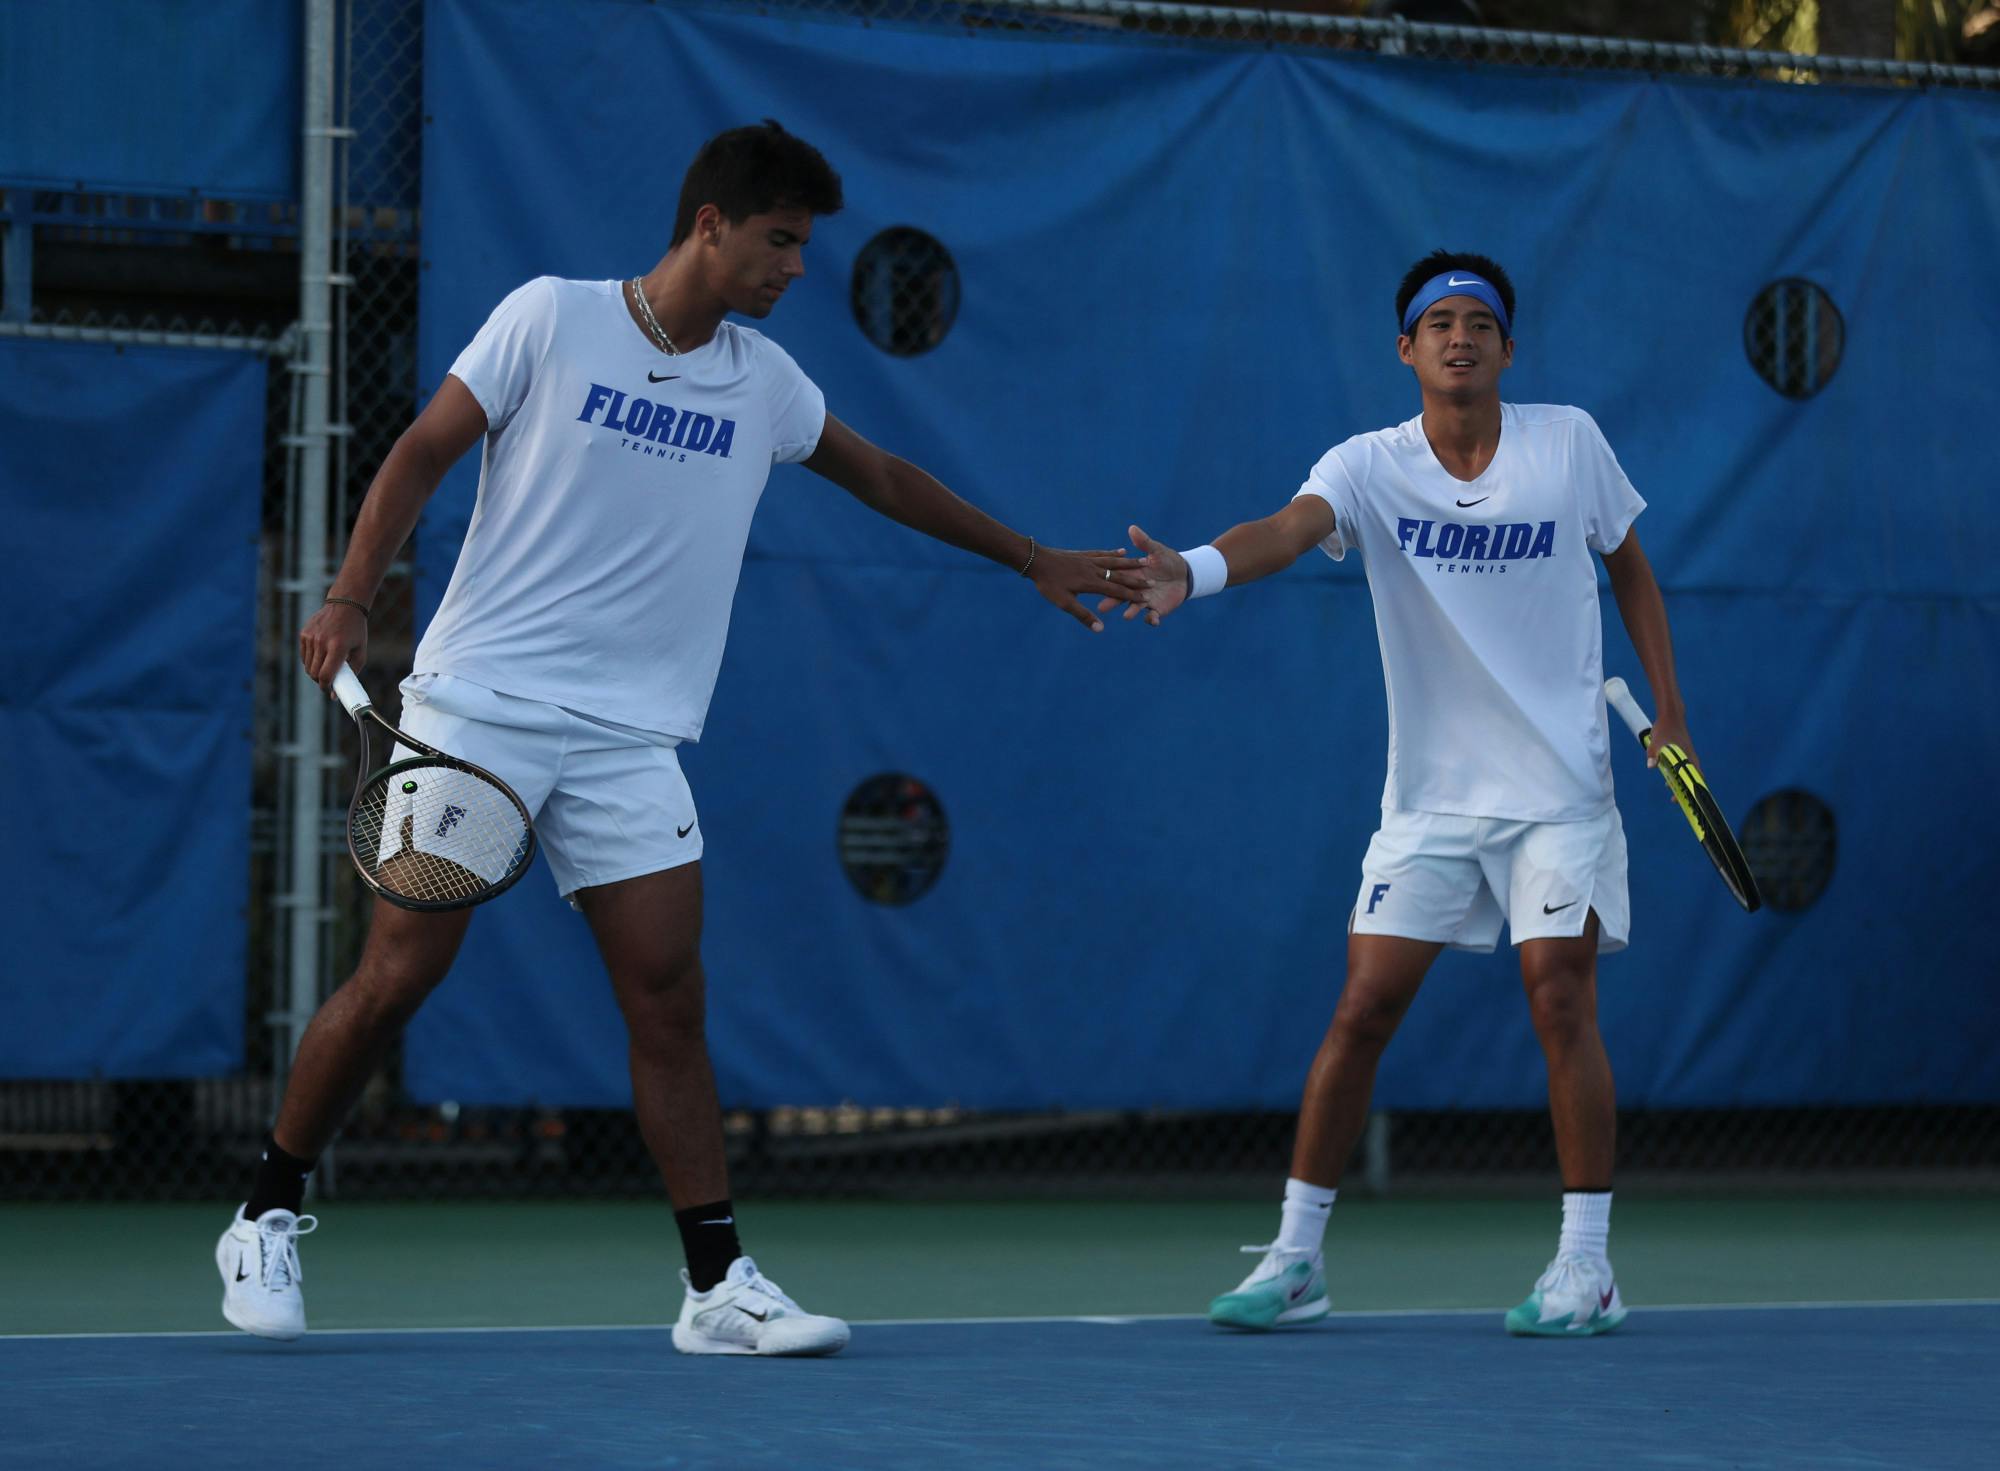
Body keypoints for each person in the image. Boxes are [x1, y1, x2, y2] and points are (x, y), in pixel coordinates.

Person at [218, 119, 1144, 1356]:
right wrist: (346, 592)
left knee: (667, 998)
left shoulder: (761, 382)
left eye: (802, 246)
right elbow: (424, 448)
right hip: (480, 702)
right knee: (400, 976)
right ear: (709, 226)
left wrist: (1030, 555)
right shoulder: (549, 316)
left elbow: (880, 475)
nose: (795, 267)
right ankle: (265, 1212)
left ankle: (716, 1285)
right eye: (779, 240)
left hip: (627, 739)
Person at [1106, 251, 1695, 1338]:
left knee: (1558, 997)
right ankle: (1294, 1260)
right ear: (1406, 349)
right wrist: (1192, 567)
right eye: (1438, 323)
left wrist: (1669, 707)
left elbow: (1629, 567)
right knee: (1361, 1006)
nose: (1459, 337)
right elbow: (1284, 529)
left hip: (1561, 788)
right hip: (1429, 801)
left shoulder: (1567, 444)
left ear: (1506, 349)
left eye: (1479, 323)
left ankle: (1585, 1266)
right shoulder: (1367, 466)